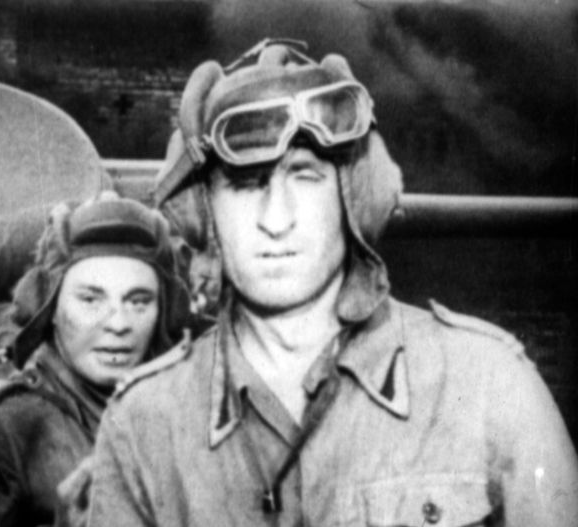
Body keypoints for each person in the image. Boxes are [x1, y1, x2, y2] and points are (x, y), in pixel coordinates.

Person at [86, 39, 578, 526]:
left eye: (305, 176)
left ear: (352, 196)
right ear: (203, 212)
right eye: (245, 183)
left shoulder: (487, 385)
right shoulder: (143, 426)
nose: (276, 219)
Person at [0, 193, 192, 527]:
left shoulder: (179, 407)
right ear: (50, 309)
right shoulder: (6, 425)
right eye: (90, 299)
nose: (119, 323)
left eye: (138, 301)